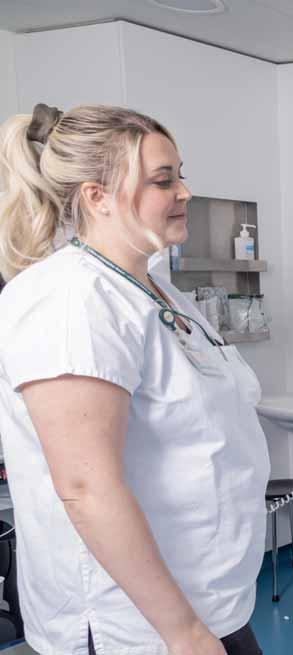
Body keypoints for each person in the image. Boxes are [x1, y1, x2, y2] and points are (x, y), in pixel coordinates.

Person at [0, 104, 269, 655]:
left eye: (180, 175)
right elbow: (86, 488)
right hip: (138, 629)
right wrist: (183, 633)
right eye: (163, 180)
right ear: (96, 196)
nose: (185, 192)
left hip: (207, 604)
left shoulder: (153, 289)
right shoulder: (72, 300)